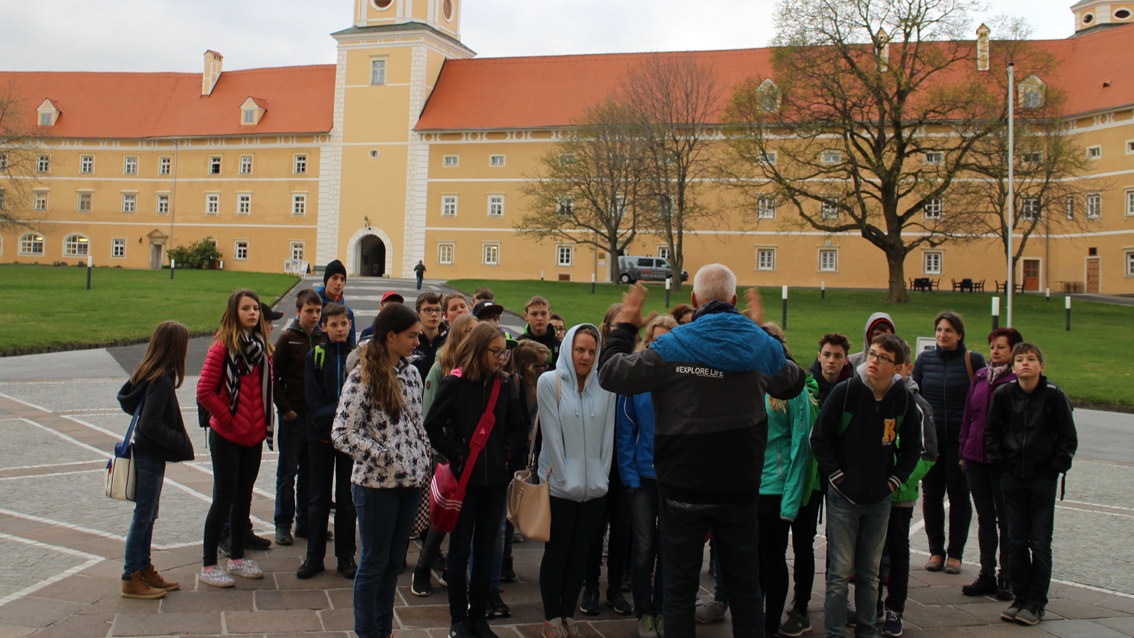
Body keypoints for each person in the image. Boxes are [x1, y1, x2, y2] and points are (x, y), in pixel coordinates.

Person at [598, 264, 807, 638]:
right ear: (734, 300)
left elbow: (611, 373)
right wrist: (762, 335)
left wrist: (625, 326)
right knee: (745, 589)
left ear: (694, 300)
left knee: (678, 590)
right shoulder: (757, 344)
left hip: (682, 488)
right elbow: (793, 382)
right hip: (740, 490)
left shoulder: (672, 345)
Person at [810, 333, 922, 638]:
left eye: (883, 358)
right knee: (839, 572)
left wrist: (893, 482)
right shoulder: (846, 392)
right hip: (843, 497)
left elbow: (913, 447)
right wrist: (837, 476)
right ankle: (834, 632)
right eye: (872, 354)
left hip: (879, 499)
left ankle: (867, 630)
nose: (874, 361)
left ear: (897, 368)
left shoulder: (903, 400)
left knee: (871, 573)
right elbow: (819, 439)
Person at [332, 304, 433, 638]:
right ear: (391, 336)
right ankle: (367, 632)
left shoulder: (412, 373)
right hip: (376, 486)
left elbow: (416, 423)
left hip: (410, 483)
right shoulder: (362, 375)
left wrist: (420, 459)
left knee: (393, 563)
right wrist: (385, 456)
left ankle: (383, 628)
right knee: (374, 563)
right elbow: (342, 432)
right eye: (412, 336)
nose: (417, 342)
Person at [424, 323, 528, 638]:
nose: (501, 358)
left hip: (494, 482)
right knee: (459, 552)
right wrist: (457, 454)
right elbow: (432, 424)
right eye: (495, 352)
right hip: (464, 483)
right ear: (479, 350)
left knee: (485, 553)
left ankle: (479, 617)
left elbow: (518, 428)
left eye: (504, 353)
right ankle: (458, 620)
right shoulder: (455, 383)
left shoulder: (505, 384)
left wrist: (504, 452)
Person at [985, 342, 1077, 627]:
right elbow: (991, 432)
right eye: (1020, 359)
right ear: (1013, 368)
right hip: (1012, 476)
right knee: (1015, 540)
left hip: (1042, 479)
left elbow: (1068, 439)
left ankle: (1036, 602)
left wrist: (1053, 468)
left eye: (1031, 359)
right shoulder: (1004, 395)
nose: (1025, 363)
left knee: (1039, 542)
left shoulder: (1054, 396)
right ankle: (1020, 597)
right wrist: (1001, 463)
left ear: (1041, 366)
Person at [538, 324, 617, 638]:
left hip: (594, 489)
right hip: (560, 489)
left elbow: (608, 437)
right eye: (579, 349)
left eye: (591, 351)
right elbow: (552, 436)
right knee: (557, 553)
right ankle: (551, 618)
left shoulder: (605, 387)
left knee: (580, 555)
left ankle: (568, 616)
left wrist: (602, 476)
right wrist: (564, 477)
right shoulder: (550, 382)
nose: (585, 357)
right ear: (568, 349)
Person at [197, 289, 275, 587]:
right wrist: (229, 420)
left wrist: (262, 424)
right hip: (227, 435)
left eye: (255, 308)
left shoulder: (263, 349)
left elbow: (266, 390)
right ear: (234, 312)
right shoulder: (222, 348)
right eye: (246, 308)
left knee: (244, 497)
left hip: (253, 436)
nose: (253, 313)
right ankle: (208, 565)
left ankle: (237, 559)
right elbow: (205, 391)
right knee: (224, 498)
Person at [116, 320, 195, 599]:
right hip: (150, 456)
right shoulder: (161, 379)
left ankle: (144, 568)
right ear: (176, 347)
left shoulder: (149, 371)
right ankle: (131, 577)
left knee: (148, 514)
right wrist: (178, 441)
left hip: (147, 454)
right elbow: (150, 424)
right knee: (144, 516)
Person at [411, 311, 482, 599]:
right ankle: (423, 567)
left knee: (465, 518)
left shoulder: (481, 366)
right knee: (443, 515)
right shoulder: (442, 367)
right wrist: (443, 453)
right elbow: (429, 416)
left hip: (473, 453)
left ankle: (454, 569)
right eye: (469, 332)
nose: (473, 337)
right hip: (446, 453)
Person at [617, 316, 677, 638]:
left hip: (674, 479)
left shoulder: (683, 379)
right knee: (642, 548)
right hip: (641, 478)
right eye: (655, 341)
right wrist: (630, 476)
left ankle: (663, 610)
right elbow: (625, 430)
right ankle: (643, 612)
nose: (660, 347)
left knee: (669, 548)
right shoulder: (637, 380)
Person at [913, 311, 984, 574]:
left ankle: (955, 553)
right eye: (939, 330)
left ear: (959, 335)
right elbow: (914, 394)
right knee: (931, 496)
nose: (942, 335)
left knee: (959, 496)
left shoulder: (972, 360)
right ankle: (936, 551)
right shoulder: (925, 359)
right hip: (931, 441)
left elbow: (981, 399)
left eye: (948, 331)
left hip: (959, 441)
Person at [754, 323, 814, 638]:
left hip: (776, 491)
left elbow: (800, 448)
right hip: (748, 488)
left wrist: (790, 503)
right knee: (750, 563)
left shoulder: (794, 389)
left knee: (772, 560)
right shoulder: (748, 379)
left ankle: (769, 626)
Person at [876, 341, 939, 638]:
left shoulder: (918, 405)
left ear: (905, 369)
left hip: (900, 495)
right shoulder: (874, 398)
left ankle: (895, 609)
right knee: (872, 553)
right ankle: (871, 604)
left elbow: (928, 453)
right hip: (874, 493)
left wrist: (898, 479)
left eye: (893, 365)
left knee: (899, 552)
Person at [958, 327, 1024, 601]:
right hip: (975, 457)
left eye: (1001, 347)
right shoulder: (982, 376)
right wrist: (963, 450)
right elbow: (969, 415)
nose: (995, 351)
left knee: (1006, 520)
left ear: (1014, 351)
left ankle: (1007, 576)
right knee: (985, 519)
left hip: (1002, 461)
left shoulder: (1016, 381)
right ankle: (986, 573)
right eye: (993, 346)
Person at [298, 303, 358, 580]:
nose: (339, 329)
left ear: (350, 324)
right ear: (324, 328)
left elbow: (359, 398)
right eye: (333, 325)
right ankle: (314, 556)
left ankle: (346, 556)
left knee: (346, 499)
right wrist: (338, 412)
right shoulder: (316, 356)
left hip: (349, 437)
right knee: (319, 498)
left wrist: (337, 413)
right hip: (320, 436)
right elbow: (312, 399)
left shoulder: (358, 358)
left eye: (343, 323)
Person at [273, 289, 326, 546]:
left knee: (310, 474)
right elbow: (275, 377)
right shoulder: (287, 338)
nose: (314, 316)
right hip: (293, 417)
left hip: (315, 418)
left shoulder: (322, 338)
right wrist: (286, 409)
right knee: (287, 473)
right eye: (309, 311)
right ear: (298, 312)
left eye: (318, 311)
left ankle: (305, 523)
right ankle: (283, 524)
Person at [318, 260, 357, 346]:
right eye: (334, 278)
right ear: (326, 280)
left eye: (342, 279)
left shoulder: (348, 312)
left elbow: (352, 344)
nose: (339, 283)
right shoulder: (314, 308)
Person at [413, 292, 449, 383]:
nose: (434, 314)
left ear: (442, 314)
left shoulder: (449, 339)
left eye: (437, 310)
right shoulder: (411, 340)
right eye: (428, 310)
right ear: (418, 314)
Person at [810, 333, 853, 406]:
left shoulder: (853, 389)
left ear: (846, 360)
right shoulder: (807, 387)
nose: (831, 361)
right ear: (819, 357)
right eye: (827, 355)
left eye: (838, 356)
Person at [518, 296, 560, 369]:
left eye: (543, 314)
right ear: (526, 316)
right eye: (534, 314)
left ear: (549, 315)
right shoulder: (520, 343)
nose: (539, 318)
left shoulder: (558, 343)